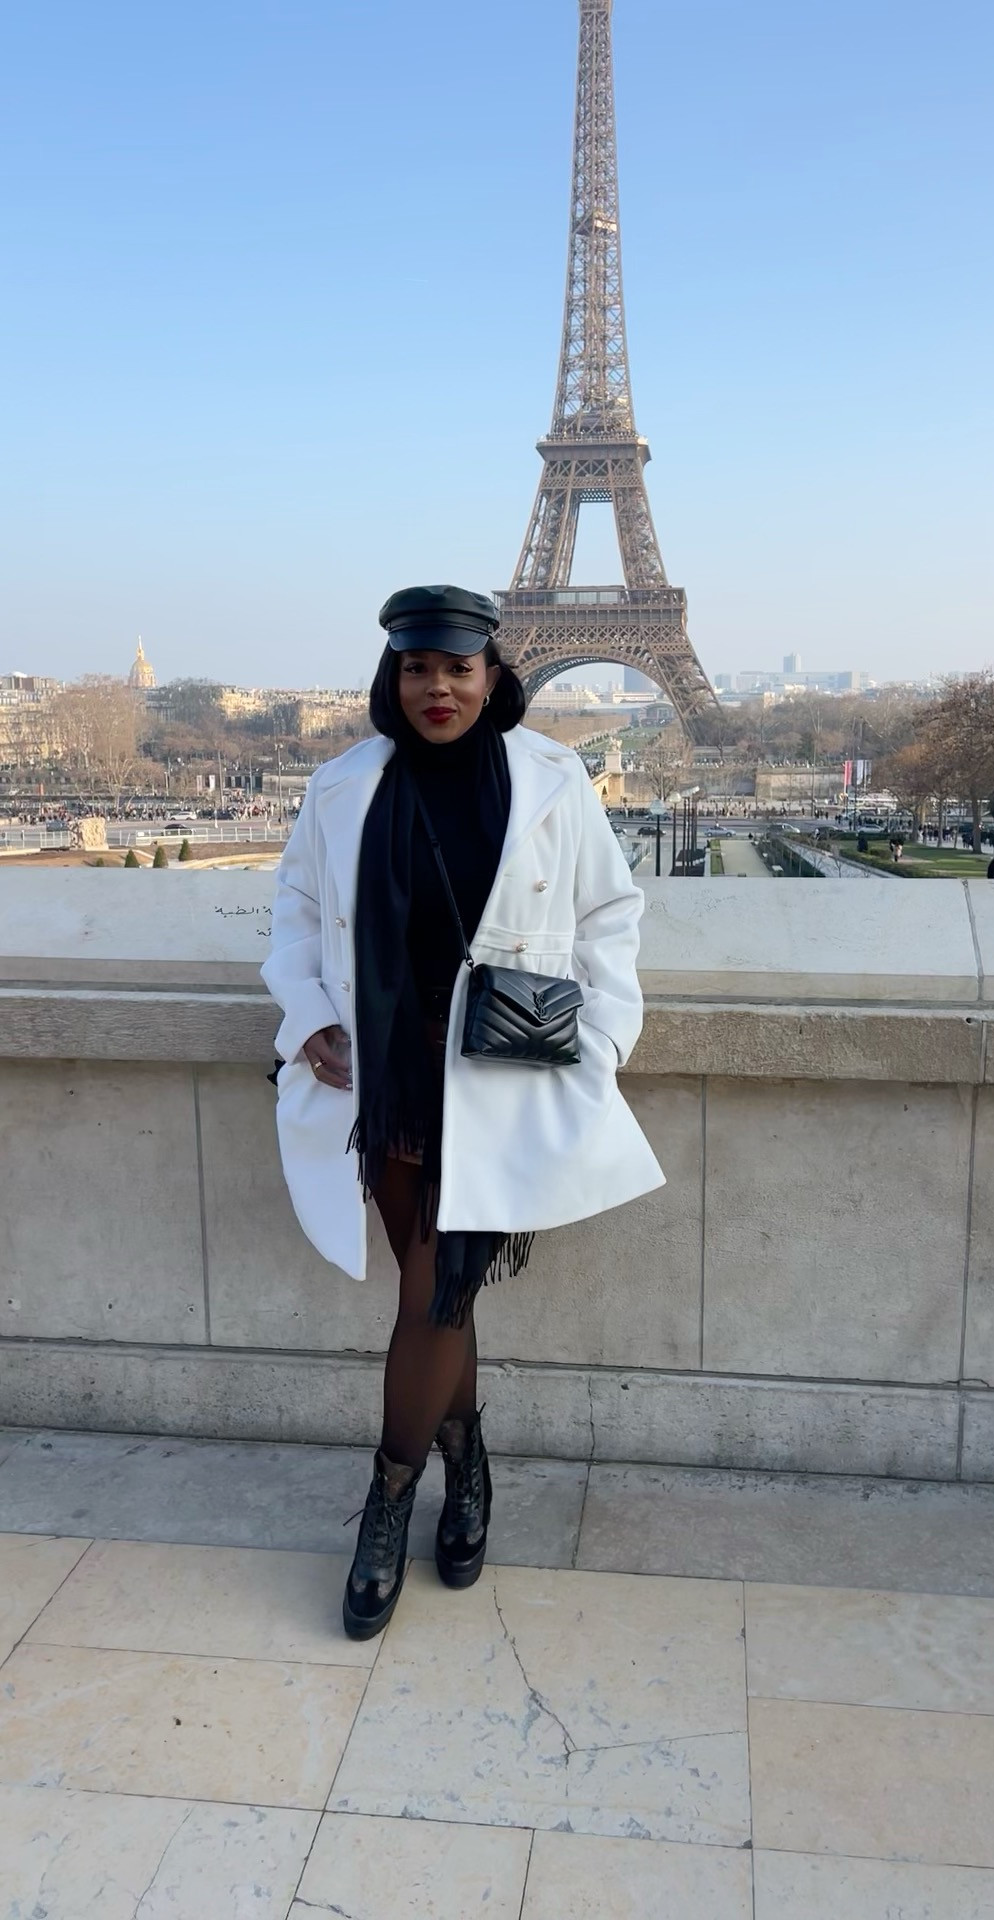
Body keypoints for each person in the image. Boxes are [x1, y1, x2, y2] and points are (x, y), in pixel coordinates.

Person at [263, 585, 664, 1639]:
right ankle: (468, 1464)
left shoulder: (552, 777)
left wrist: (606, 1042)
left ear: (493, 674)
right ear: (391, 680)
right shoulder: (341, 786)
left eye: (457, 668)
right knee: (438, 1299)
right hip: (383, 1077)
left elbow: (608, 915)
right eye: (417, 669)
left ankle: (387, 1507)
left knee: (432, 1298)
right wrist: (305, 1010)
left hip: (499, 1076)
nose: (437, 687)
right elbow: (299, 912)